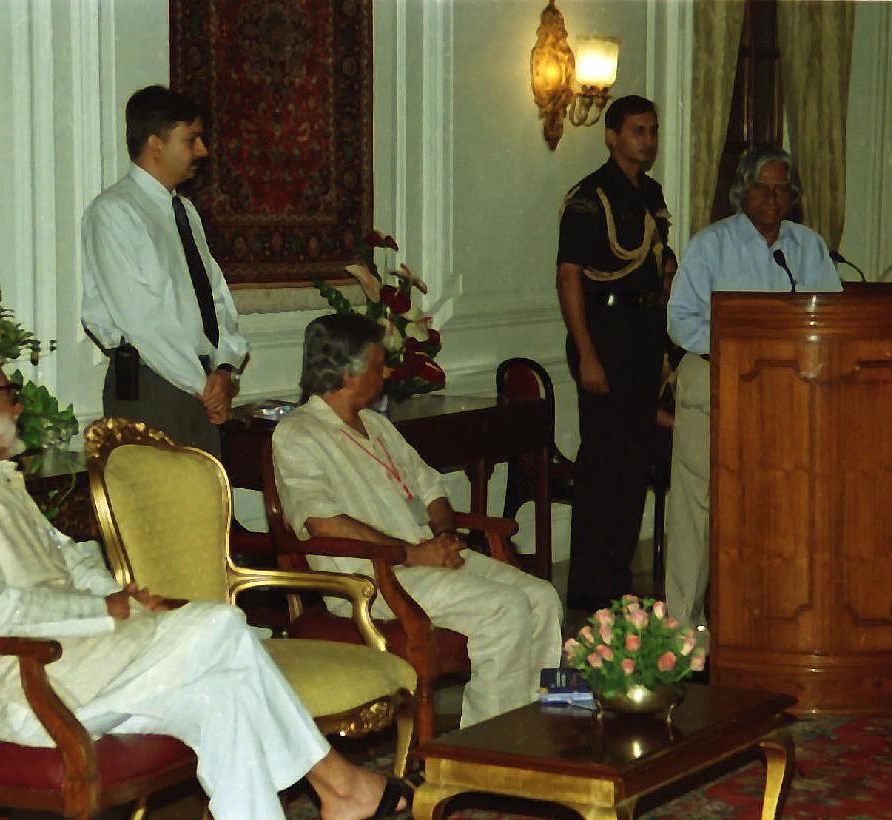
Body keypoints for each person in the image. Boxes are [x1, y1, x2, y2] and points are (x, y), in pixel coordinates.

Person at [0, 345, 409, 820]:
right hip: (15, 690)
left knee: (225, 696)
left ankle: (333, 795)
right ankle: (340, 785)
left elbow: (69, 557)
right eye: (7, 393)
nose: (17, 406)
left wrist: (117, 597)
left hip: (69, 665)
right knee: (221, 626)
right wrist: (100, 611)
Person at [272, 314, 563, 729]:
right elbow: (323, 522)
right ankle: (486, 747)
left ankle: (532, 728)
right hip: (370, 576)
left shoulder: (376, 423)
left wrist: (445, 537)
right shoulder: (297, 433)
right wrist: (412, 553)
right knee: (505, 608)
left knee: (543, 597)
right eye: (378, 366)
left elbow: (430, 487)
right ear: (347, 375)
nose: (387, 373)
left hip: (425, 558)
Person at [665, 144, 843, 647]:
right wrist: (742, 350)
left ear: (793, 196)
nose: (771, 198)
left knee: (778, 500)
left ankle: (768, 616)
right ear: (742, 192)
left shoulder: (807, 247)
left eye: (781, 189)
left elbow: (831, 316)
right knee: (698, 505)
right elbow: (680, 320)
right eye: (762, 188)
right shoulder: (712, 244)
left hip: (787, 391)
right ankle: (683, 630)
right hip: (714, 380)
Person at [555, 95, 676, 612]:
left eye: (652, 131)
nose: (647, 140)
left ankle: (618, 577)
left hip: (643, 332)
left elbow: (657, 259)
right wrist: (587, 353)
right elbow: (569, 277)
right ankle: (590, 584)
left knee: (636, 459)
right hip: (604, 333)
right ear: (612, 136)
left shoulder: (649, 192)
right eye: (637, 131)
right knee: (604, 460)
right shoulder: (590, 198)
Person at [82, 85, 246, 456]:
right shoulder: (115, 212)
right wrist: (202, 385)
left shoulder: (183, 211)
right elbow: (141, 318)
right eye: (191, 140)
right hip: (152, 385)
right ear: (156, 144)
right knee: (156, 492)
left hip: (200, 384)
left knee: (205, 491)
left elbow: (215, 296)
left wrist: (224, 368)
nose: (202, 150)